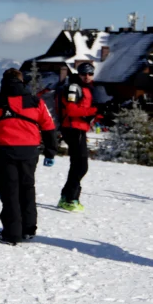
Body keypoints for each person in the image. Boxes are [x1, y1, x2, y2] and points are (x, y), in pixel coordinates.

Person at [0, 68, 58, 245]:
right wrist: (50, 152)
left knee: (10, 191)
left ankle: (12, 233)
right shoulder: (35, 101)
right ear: (21, 81)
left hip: (6, 151)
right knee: (27, 188)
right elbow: (49, 127)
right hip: (30, 151)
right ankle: (28, 229)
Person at [57, 61, 100, 212]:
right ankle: (70, 198)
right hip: (72, 128)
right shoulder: (74, 88)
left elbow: (87, 109)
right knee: (81, 165)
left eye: (90, 73)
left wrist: (102, 111)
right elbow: (71, 110)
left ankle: (67, 196)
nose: (87, 76)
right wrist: (93, 111)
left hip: (79, 128)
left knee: (78, 165)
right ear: (79, 74)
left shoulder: (88, 88)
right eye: (84, 73)